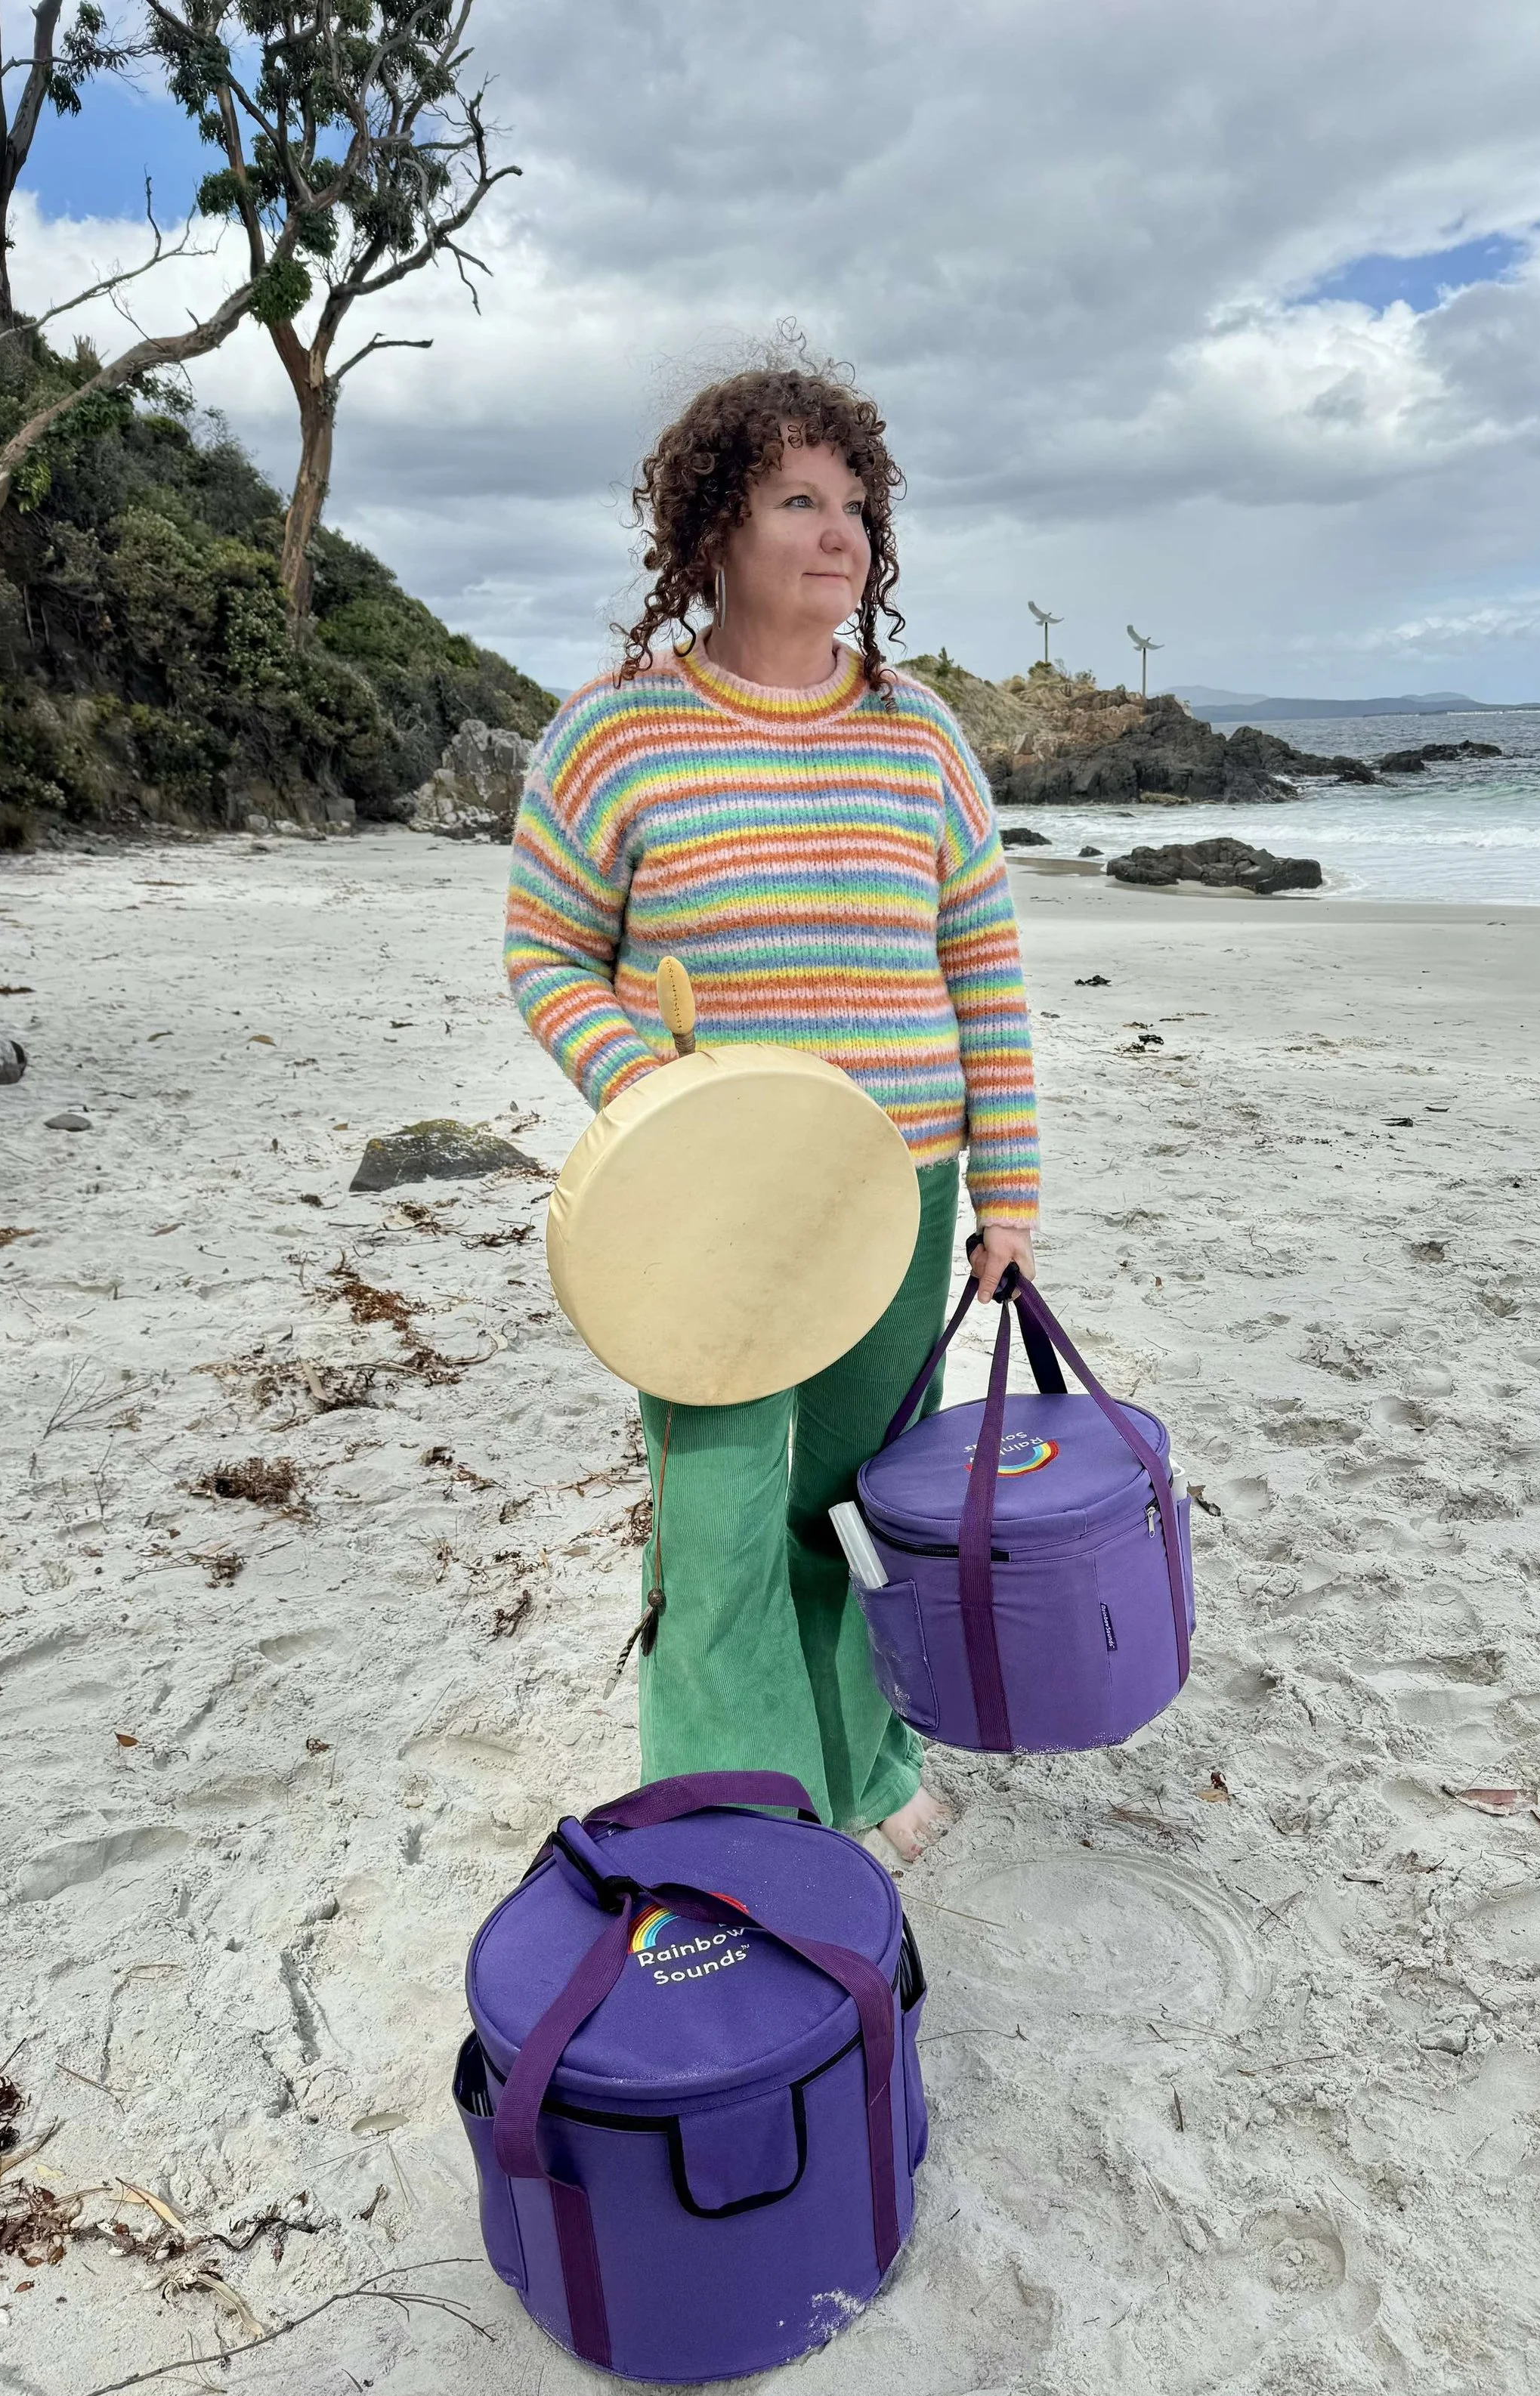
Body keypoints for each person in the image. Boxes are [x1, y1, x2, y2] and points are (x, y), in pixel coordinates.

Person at [503, 358, 1039, 1863]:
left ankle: (860, 1769)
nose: (839, 534)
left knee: (851, 1505)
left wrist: (1014, 1191)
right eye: (798, 500)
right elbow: (547, 950)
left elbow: (981, 965)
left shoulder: (918, 733)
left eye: (855, 505)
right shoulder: (614, 733)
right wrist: (652, 1088)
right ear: (709, 527)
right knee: (721, 1516)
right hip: (712, 1200)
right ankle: (740, 1808)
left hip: (900, 1187)